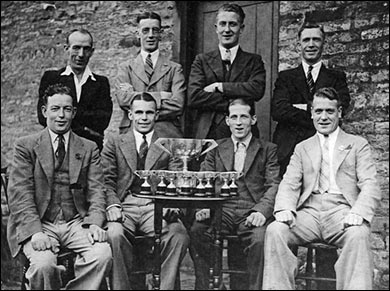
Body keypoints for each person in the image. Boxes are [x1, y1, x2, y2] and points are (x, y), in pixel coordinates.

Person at [262, 87, 382, 290]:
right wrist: (284, 209)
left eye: (329, 111)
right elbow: (289, 183)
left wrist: (358, 213)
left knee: (359, 234)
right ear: (311, 114)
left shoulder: (357, 144)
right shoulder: (302, 147)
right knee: (275, 230)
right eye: (318, 111)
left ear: (340, 113)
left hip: (342, 212)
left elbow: (370, 183)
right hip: (308, 213)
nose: (324, 117)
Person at [7, 84, 112, 290]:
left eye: (66, 109)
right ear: (45, 111)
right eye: (55, 109)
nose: (61, 115)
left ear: (74, 112)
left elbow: (97, 191)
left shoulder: (89, 147)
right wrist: (35, 233)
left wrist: (95, 223)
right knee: (43, 265)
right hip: (40, 221)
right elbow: (20, 195)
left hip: (76, 222)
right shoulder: (26, 146)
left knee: (102, 255)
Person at [189, 98, 280, 290]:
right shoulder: (215, 148)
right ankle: (209, 286)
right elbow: (203, 179)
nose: (239, 122)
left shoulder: (267, 149)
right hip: (221, 209)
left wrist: (262, 212)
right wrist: (204, 205)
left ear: (253, 120)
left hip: (251, 211)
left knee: (260, 240)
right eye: (234, 117)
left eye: (244, 117)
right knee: (198, 231)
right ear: (227, 121)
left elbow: (273, 185)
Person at [102, 92, 189, 290]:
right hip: (125, 204)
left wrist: (171, 205)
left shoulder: (168, 143)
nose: (143, 118)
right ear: (130, 115)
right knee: (114, 235)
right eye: (139, 112)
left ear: (156, 115)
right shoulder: (115, 142)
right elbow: (106, 180)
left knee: (179, 235)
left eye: (149, 113)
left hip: (155, 205)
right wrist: (113, 205)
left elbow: (176, 179)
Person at [271, 22, 350, 177]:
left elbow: (342, 107)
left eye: (316, 40)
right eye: (306, 40)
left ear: (323, 43)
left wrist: (301, 107)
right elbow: (278, 110)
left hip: (325, 146)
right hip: (289, 148)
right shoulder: (286, 77)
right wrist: (317, 110)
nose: (311, 44)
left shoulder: (336, 77)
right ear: (299, 44)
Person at [187, 3, 266, 141]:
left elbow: (257, 90)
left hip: (244, 132)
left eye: (233, 24)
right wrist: (236, 99)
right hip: (208, 132)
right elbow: (194, 97)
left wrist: (220, 87)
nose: (227, 29)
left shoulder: (254, 61)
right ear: (216, 28)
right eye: (223, 24)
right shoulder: (202, 60)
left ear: (241, 28)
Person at [37, 28, 113, 151]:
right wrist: (85, 128)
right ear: (66, 49)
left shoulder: (101, 83)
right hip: (56, 146)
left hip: (89, 148)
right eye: (76, 48)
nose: (81, 54)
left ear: (92, 52)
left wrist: (66, 120)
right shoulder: (51, 78)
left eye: (86, 49)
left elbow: (102, 120)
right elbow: (43, 116)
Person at [116, 11, 186, 138]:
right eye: (145, 30)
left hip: (166, 132)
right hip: (132, 131)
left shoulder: (174, 69)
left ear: (161, 34)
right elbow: (124, 100)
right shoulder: (126, 68)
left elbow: (178, 104)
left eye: (155, 30)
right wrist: (160, 96)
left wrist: (135, 98)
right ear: (138, 34)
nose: (151, 35)